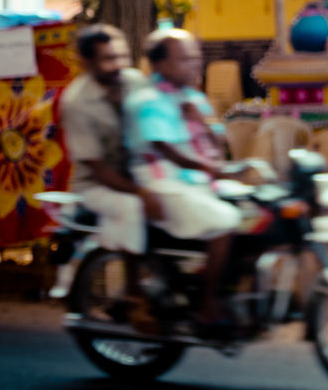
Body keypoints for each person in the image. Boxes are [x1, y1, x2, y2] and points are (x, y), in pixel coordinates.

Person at [124, 28, 242, 332]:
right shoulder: (147, 100)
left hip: (197, 182)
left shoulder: (192, 97)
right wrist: (208, 167)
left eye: (196, 58)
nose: (194, 65)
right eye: (184, 60)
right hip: (163, 184)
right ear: (160, 65)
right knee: (225, 221)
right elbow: (166, 149)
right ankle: (208, 304)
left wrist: (204, 123)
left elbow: (218, 143)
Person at [60, 25, 160, 330]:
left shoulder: (133, 81)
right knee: (133, 207)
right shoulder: (76, 102)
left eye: (121, 57)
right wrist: (141, 193)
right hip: (97, 186)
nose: (117, 65)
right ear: (86, 62)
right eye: (107, 59)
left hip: (137, 174)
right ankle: (132, 294)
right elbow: (98, 169)